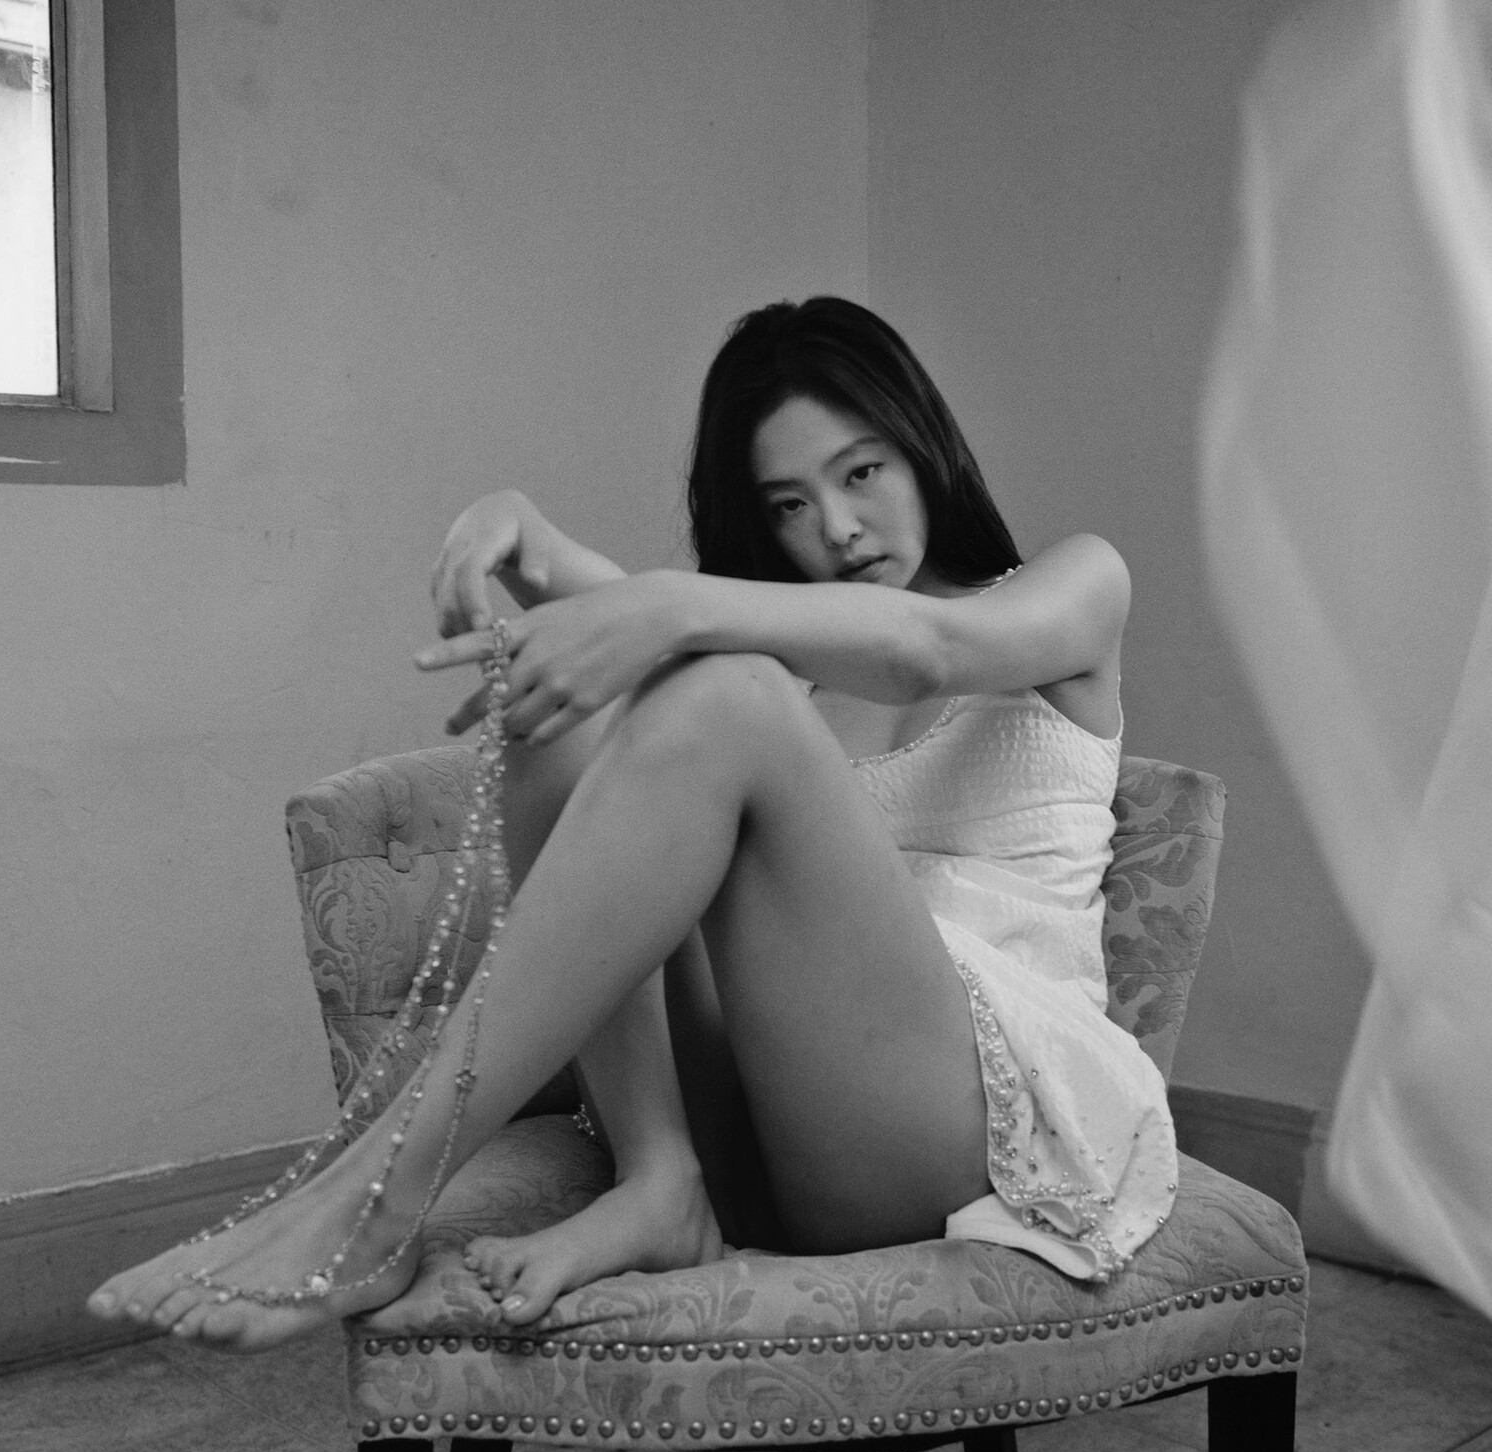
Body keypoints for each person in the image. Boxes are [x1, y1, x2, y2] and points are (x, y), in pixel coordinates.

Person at [87, 296, 1175, 1351]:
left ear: (921, 442)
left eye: (861, 473)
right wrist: (520, 526)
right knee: (566, 699)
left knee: (721, 689)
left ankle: (377, 1191)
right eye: (788, 504)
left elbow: (926, 651)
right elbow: (620, 619)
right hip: (772, 1129)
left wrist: (668, 607)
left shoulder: (1076, 587)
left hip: (969, 1134)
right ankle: (662, 1181)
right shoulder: (785, 676)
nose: (838, 529)